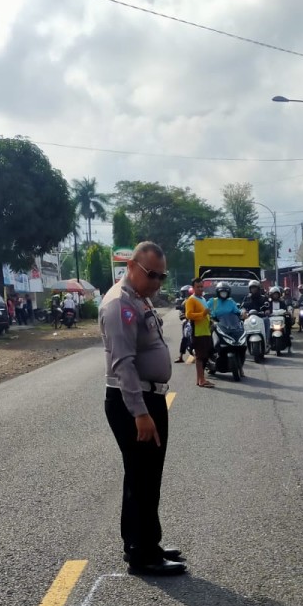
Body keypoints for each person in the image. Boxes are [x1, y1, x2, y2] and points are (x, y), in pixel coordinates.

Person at [100, 240, 187, 577]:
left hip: (146, 398)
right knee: (145, 477)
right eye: (153, 275)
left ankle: (139, 542)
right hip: (134, 401)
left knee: (139, 475)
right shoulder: (119, 304)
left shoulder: (139, 298)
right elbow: (123, 364)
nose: (157, 283)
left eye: (162, 277)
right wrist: (140, 413)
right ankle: (145, 554)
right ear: (132, 266)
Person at [184, 281, 214, 388]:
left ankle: (200, 379)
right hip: (198, 332)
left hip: (205, 331)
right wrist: (203, 314)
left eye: (202, 287)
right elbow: (188, 315)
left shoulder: (203, 299)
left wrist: (210, 320)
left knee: (204, 356)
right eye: (198, 287)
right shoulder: (191, 300)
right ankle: (202, 380)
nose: (201, 289)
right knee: (200, 357)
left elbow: (206, 314)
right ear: (193, 288)